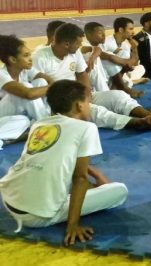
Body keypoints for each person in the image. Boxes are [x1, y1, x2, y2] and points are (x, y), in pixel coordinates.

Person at [0, 80, 128, 245]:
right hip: (36, 216)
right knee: (119, 191)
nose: (90, 106)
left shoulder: (40, 124)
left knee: (58, 172)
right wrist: (73, 225)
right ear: (79, 106)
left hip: (9, 199)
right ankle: (102, 186)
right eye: (89, 102)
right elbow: (79, 178)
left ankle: (98, 185)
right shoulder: (87, 128)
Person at [34, 23, 151, 131]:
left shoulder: (73, 53)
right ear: (66, 44)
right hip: (60, 103)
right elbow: (39, 87)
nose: (81, 46)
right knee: (98, 112)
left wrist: (86, 95)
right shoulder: (40, 57)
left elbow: (82, 74)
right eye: (78, 43)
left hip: (77, 94)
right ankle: (139, 123)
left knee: (118, 96)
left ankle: (148, 115)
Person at [0, 34, 52, 122]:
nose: (30, 59)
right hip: (3, 115)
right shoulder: (2, 75)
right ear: (13, 60)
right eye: (26, 55)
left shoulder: (25, 70)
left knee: (41, 82)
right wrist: (54, 87)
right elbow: (29, 94)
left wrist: (53, 85)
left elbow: (48, 80)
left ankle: (47, 116)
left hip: (16, 113)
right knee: (27, 87)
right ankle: (44, 122)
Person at [101, 17, 147, 98]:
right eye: (130, 29)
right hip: (105, 74)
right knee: (117, 56)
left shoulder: (125, 44)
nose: (133, 32)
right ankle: (125, 86)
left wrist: (134, 48)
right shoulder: (107, 42)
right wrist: (125, 63)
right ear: (121, 30)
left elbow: (134, 63)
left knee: (141, 67)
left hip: (119, 73)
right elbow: (129, 62)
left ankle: (131, 81)